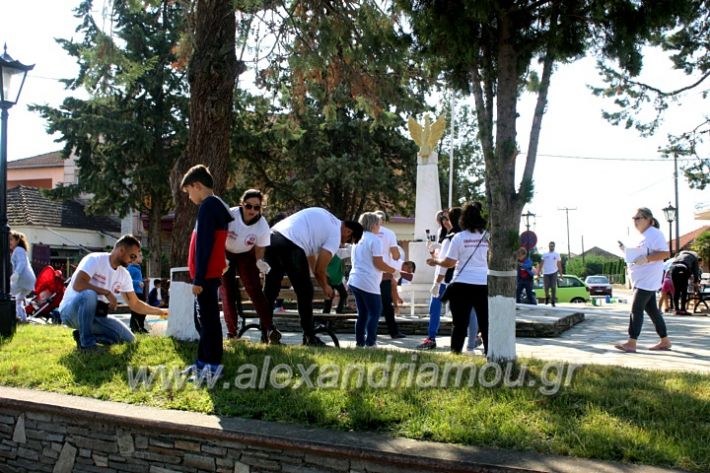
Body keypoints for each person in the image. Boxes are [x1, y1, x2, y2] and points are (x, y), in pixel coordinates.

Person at [263, 207, 363, 346]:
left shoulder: (326, 218)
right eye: (348, 241)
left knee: (270, 290)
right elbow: (320, 269)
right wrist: (325, 286)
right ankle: (309, 337)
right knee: (305, 292)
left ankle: (265, 333)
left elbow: (311, 256)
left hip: (271, 239)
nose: (344, 244)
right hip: (291, 245)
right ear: (348, 231)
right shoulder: (335, 234)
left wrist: (316, 274)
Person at [58, 235, 168, 351]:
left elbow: (134, 304)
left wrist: (161, 312)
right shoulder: (95, 259)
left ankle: (81, 336)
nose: (133, 259)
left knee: (129, 340)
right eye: (132, 256)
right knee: (89, 294)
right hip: (71, 312)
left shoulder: (124, 275)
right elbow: (78, 284)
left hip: (97, 316)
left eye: (135, 257)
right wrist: (106, 292)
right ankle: (87, 345)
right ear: (121, 250)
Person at [181, 164, 234, 376]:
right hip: (209, 273)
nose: (189, 197)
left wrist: (199, 280)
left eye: (188, 191)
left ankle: (213, 366)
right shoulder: (215, 205)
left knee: (209, 321)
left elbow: (204, 245)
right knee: (203, 320)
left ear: (197, 185)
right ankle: (202, 362)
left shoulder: (208, 206)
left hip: (206, 276)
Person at [426, 202, 489, 354]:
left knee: (459, 323)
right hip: (482, 282)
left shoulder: (459, 238)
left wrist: (435, 261)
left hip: (461, 283)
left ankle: (456, 352)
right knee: (484, 321)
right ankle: (489, 352)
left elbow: (449, 262)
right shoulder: (487, 236)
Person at [220, 189, 279, 343]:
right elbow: (218, 237)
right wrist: (220, 258)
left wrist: (259, 262)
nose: (252, 210)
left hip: (246, 254)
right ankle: (232, 332)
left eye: (257, 207)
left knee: (254, 289)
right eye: (248, 206)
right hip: (225, 252)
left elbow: (260, 248)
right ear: (242, 204)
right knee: (227, 291)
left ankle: (270, 329)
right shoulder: (230, 215)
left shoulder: (262, 225)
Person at [614, 207, 672, 353]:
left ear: (649, 220)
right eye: (634, 218)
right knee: (653, 311)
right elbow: (637, 254)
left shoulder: (655, 234)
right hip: (641, 280)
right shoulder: (641, 235)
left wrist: (647, 259)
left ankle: (631, 342)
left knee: (636, 309)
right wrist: (625, 251)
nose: (635, 221)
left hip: (647, 280)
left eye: (638, 218)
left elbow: (665, 253)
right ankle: (665, 341)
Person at [349, 212, 398, 347]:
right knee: (375, 312)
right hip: (368, 281)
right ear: (374, 224)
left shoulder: (357, 238)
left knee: (362, 314)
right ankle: (370, 343)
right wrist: (394, 270)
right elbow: (378, 263)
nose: (380, 227)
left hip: (355, 279)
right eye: (379, 224)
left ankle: (359, 343)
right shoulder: (375, 240)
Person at [417, 207, 460, 350]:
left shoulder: (456, 236)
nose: (445, 222)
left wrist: (437, 281)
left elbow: (447, 262)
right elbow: (439, 258)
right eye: (441, 220)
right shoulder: (443, 234)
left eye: (447, 218)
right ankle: (432, 337)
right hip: (444, 276)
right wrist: (433, 251)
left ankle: (472, 339)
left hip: (450, 278)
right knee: (434, 308)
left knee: (458, 310)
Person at [374, 210, 406, 339]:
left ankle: (368, 332)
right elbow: (396, 255)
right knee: (387, 304)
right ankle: (393, 332)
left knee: (369, 304)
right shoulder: (389, 233)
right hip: (384, 272)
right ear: (384, 220)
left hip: (369, 273)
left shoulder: (365, 233)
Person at [9, 230, 36, 323]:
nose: (9, 242)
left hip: (22, 278)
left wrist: (16, 273)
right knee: (18, 300)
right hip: (29, 280)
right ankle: (22, 319)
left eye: (11, 239)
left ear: (17, 240)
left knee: (9, 296)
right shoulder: (20, 250)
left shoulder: (18, 250)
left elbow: (21, 262)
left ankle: (15, 318)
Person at [669, 250, 701, 315]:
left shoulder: (680, 255)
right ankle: (683, 309)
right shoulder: (694, 257)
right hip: (683, 269)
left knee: (676, 290)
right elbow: (696, 271)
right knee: (684, 291)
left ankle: (676, 310)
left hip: (673, 270)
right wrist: (696, 281)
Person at [127, 252, 148, 333]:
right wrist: (138, 283)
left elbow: (138, 279)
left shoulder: (138, 267)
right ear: (134, 258)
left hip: (139, 292)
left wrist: (144, 281)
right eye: (140, 256)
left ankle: (140, 327)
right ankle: (135, 328)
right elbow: (127, 281)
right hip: (134, 293)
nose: (142, 257)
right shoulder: (130, 268)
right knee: (137, 311)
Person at [537, 241, 562, 306]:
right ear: (548, 246)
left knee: (553, 287)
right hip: (546, 272)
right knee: (546, 287)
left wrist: (561, 274)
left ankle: (553, 301)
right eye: (550, 246)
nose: (551, 247)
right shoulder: (545, 254)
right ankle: (547, 297)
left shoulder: (557, 254)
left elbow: (559, 264)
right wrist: (538, 272)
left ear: (554, 246)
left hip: (554, 272)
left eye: (552, 246)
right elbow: (541, 263)